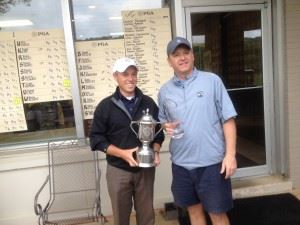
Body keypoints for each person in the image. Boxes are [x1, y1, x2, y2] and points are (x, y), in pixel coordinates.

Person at [158, 37, 237, 225]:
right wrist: (164, 126)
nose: (182, 58)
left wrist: (230, 155)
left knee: (217, 214)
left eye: (186, 53)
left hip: (211, 163)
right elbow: (163, 121)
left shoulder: (212, 81)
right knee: (193, 213)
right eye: (176, 55)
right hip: (181, 165)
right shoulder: (165, 91)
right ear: (169, 61)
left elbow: (228, 119)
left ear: (193, 56)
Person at [90, 57, 164, 225]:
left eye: (133, 74)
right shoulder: (105, 106)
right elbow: (96, 139)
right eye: (125, 74)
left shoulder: (148, 103)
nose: (130, 78)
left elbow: (158, 133)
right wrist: (122, 154)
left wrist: (156, 151)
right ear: (115, 76)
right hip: (118, 171)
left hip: (145, 170)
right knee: (121, 218)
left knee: (146, 217)